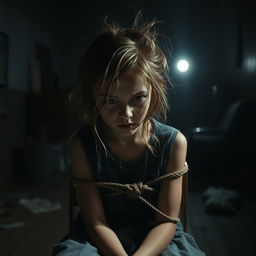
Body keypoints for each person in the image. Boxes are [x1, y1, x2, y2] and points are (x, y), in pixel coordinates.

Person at [52, 13, 205, 256]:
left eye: (137, 99)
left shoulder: (173, 143)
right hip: (98, 235)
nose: (127, 114)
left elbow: (166, 221)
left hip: (157, 236)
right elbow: (96, 221)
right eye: (111, 101)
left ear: (153, 91)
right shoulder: (82, 146)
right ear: (93, 97)